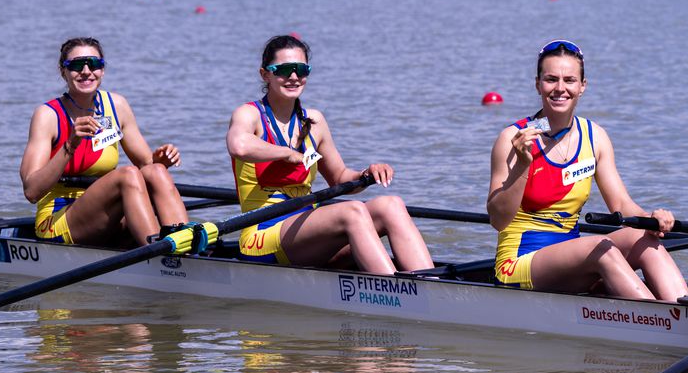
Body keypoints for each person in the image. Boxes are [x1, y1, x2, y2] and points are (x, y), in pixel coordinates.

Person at [487, 39, 688, 301]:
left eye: (569, 80)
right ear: (538, 84)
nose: (560, 88)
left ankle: (684, 309)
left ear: (583, 86)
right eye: (551, 79)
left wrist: (652, 219)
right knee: (600, 246)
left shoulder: (595, 137)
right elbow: (498, 220)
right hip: (518, 263)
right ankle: (661, 323)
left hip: (570, 256)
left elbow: (620, 204)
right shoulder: (513, 138)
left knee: (644, 239)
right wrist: (523, 166)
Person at [225, 34, 433, 273]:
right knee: (351, 211)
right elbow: (238, 146)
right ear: (265, 74)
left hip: (306, 232)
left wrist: (367, 173)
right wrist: (284, 153)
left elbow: (340, 177)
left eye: (301, 69)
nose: (293, 77)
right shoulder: (249, 114)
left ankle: (431, 288)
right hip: (261, 234)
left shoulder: (314, 121)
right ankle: (398, 294)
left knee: (391, 205)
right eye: (283, 69)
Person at [21, 37, 188, 246]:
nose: (85, 71)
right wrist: (69, 145)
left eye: (94, 64)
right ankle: (160, 255)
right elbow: (31, 192)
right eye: (75, 65)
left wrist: (162, 160)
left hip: (107, 214)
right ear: (62, 71)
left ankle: (184, 248)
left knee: (157, 172)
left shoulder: (117, 105)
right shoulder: (47, 116)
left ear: (103, 70)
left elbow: (147, 166)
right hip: (58, 218)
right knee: (127, 175)